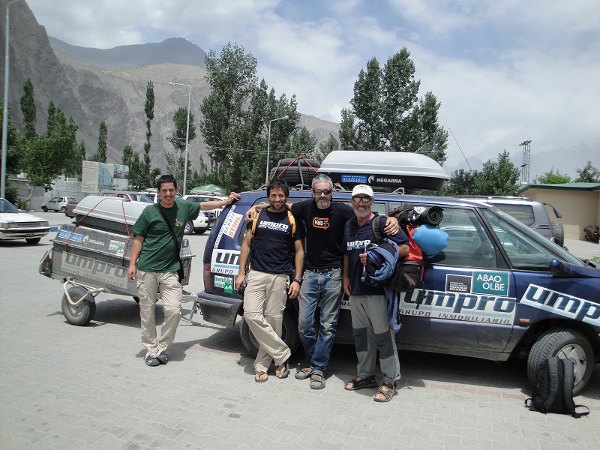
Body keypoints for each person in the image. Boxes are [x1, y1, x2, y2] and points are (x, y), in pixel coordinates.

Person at [246, 175, 398, 390]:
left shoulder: (344, 211)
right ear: (313, 193)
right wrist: (257, 207)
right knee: (304, 325)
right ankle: (310, 360)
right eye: (319, 191)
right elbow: (280, 204)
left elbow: (367, 215)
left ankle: (318, 368)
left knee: (328, 326)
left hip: (334, 275)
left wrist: (392, 219)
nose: (323, 195)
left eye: (327, 191)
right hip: (309, 274)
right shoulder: (304, 207)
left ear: (331, 192)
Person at [127, 174, 238, 366]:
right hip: (147, 269)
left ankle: (162, 347)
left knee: (174, 311)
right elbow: (138, 238)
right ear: (158, 192)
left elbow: (203, 205)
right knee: (147, 311)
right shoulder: (149, 212)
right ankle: (151, 350)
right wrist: (132, 264)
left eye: (171, 190)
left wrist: (226, 201)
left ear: (176, 190)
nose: (168, 194)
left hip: (170, 270)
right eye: (164, 191)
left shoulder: (183, 207)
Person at [343, 184, 409, 402]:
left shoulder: (382, 223)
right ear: (352, 201)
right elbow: (347, 253)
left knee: (383, 337)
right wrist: (345, 277)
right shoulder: (349, 225)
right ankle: (366, 376)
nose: (361, 203)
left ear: (371, 201)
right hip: (356, 289)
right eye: (357, 199)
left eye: (365, 199)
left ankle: (390, 380)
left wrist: (377, 255)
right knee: (362, 337)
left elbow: (405, 248)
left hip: (378, 290)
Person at [235, 178, 304, 383]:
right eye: (273, 195)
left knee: (274, 321)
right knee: (251, 315)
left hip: (280, 276)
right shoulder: (258, 215)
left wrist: (297, 279)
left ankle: (262, 365)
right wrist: (241, 273)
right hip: (256, 274)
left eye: (281, 195)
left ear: (286, 197)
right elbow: (246, 244)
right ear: (268, 196)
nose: (277, 199)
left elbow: (299, 251)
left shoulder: (292, 218)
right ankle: (282, 354)